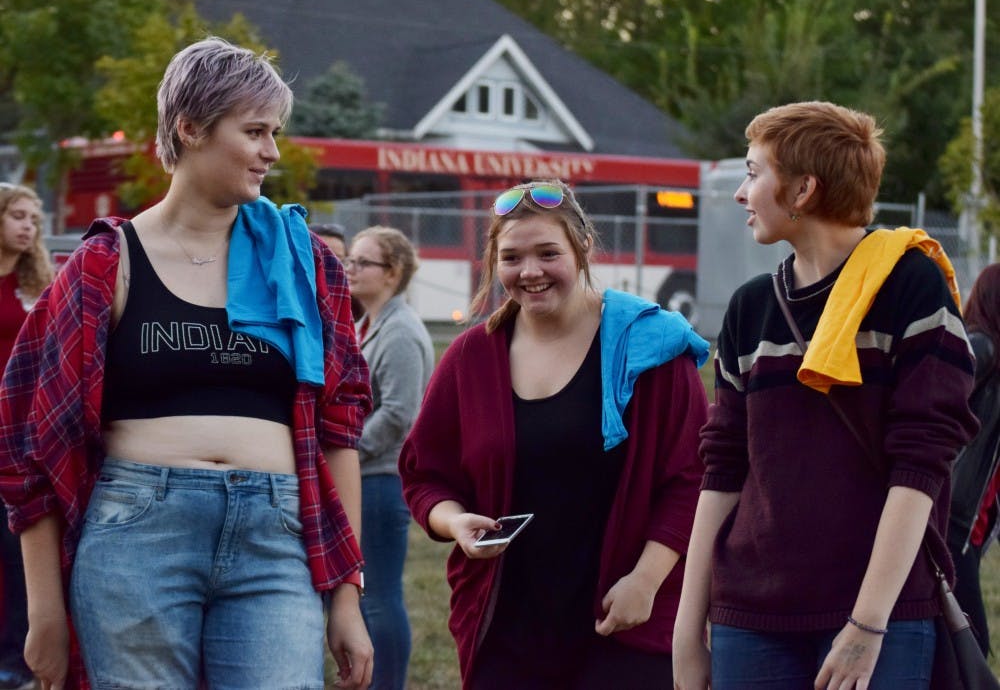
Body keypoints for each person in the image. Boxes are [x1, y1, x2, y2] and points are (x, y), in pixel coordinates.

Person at [0, 37, 374, 690]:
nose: (272, 152)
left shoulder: (305, 262)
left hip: (277, 538)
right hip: (137, 535)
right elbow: (32, 439)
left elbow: (341, 426)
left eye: (275, 132)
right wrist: (44, 610)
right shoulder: (103, 266)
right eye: (255, 131)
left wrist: (347, 595)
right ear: (191, 127)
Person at [672, 101, 980, 690]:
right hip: (749, 619)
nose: (741, 193)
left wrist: (867, 626)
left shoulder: (913, 289)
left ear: (804, 189)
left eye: (753, 172)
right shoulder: (749, 307)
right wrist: (688, 629)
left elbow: (921, 467)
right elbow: (722, 469)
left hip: (880, 616)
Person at [399, 179, 710, 689]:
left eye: (548, 253)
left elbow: (691, 477)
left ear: (583, 247)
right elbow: (423, 474)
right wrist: (454, 523)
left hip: (624, 616)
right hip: (505, 626)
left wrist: (646, 581)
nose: (530, 272)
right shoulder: (472, 358)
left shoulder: (650, 348)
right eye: (512, 258)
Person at [346, 225, 434, 690]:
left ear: (393, 272)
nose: (351, 269)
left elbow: (399, 414)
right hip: (368, 479)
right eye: (351, 260)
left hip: (380, 483)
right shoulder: (372, 323)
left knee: (380, 597)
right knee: (367, 597)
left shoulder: (399, 332)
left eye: (363, 262)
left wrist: (345, 453)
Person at [0, 183, 53, 690]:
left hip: (20, 437)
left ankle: (15, 656)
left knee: (19, 549)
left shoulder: (38, 281)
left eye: (33, 220)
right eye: (17, 216)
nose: (27, 227)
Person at [948, 262, 1000, 656]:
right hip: (952, 518)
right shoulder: (981, 346)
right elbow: (933, 401)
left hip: (971, 526)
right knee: (973, 647)